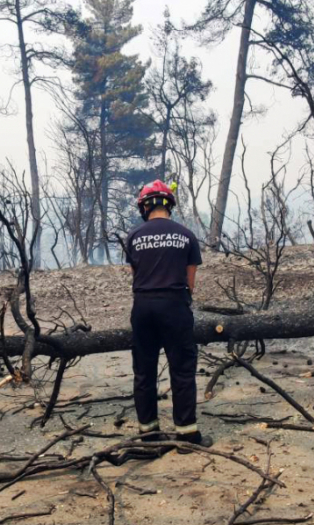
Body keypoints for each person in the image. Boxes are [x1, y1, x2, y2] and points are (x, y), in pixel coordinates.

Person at [124, 180, 212, 450]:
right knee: (182, 370)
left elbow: (135, 276)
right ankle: (186, 435)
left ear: (144, 206)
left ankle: (149, 435)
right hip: (175, 307)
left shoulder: (134, 236)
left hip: (143, 307)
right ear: (169, 205)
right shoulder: (186, 235)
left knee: (144, 371)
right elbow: (190, 282)